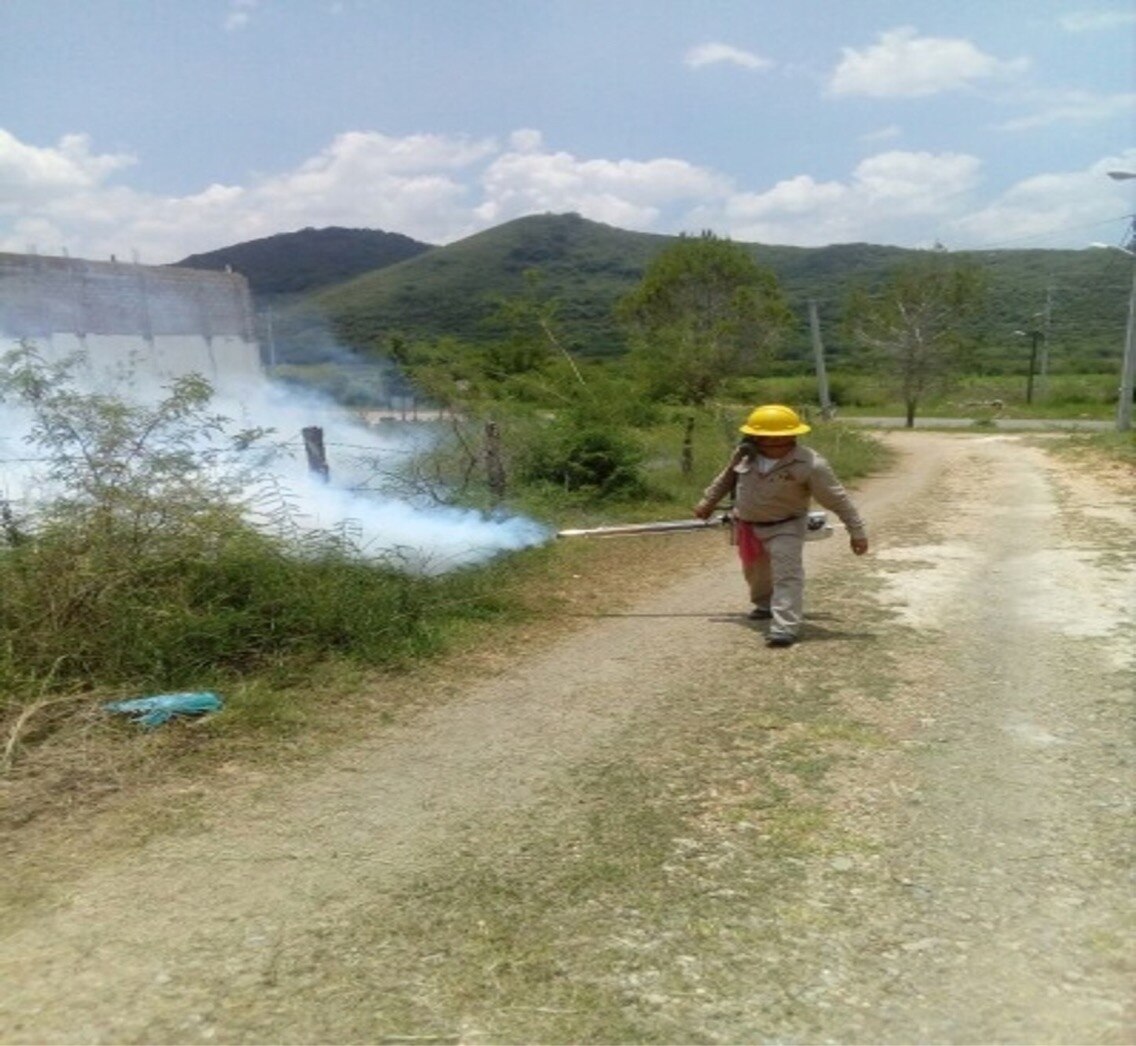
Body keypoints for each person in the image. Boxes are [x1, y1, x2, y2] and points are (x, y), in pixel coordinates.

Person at [693, 404, 868, 648]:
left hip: (787, 525)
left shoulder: (810, 464)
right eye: (768, 439)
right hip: (748, 525)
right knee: (756, 573)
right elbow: (727, 478)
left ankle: (784, 627)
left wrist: (856, 532)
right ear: (755, 436)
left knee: (787, 573)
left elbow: (838, 499)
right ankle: (764, 605)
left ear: (794, 435)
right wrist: (708, 502)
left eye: (782, 438)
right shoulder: (745, 455)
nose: (776, 444)